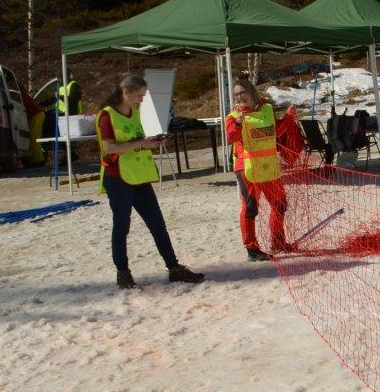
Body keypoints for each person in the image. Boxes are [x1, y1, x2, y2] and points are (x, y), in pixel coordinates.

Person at [96, 75, 202, 289]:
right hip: (118, 178)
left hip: (140, 176)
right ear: (125, 92)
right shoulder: (106, 115)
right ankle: (123, 272)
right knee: (121, 226)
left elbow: (139, 141)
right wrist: (141, 143)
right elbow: (109, 148)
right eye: (139, 95)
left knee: (157, 225)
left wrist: (152, 142)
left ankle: (174, 268)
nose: (141, 100)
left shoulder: (136, 114)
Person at [225, 78, 301, 261]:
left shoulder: (266, 109)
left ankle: (278, 242)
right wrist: (238, 123)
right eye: (236, 94)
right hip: (247, 167)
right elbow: (231, 137)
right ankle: (252, 250)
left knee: (280, 205)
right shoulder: (233, 116)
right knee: (250, 208)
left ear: (251, 92)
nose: (239, 97)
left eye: (242, 92)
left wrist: (289, 117)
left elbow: (275, 131)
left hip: (268, 166)